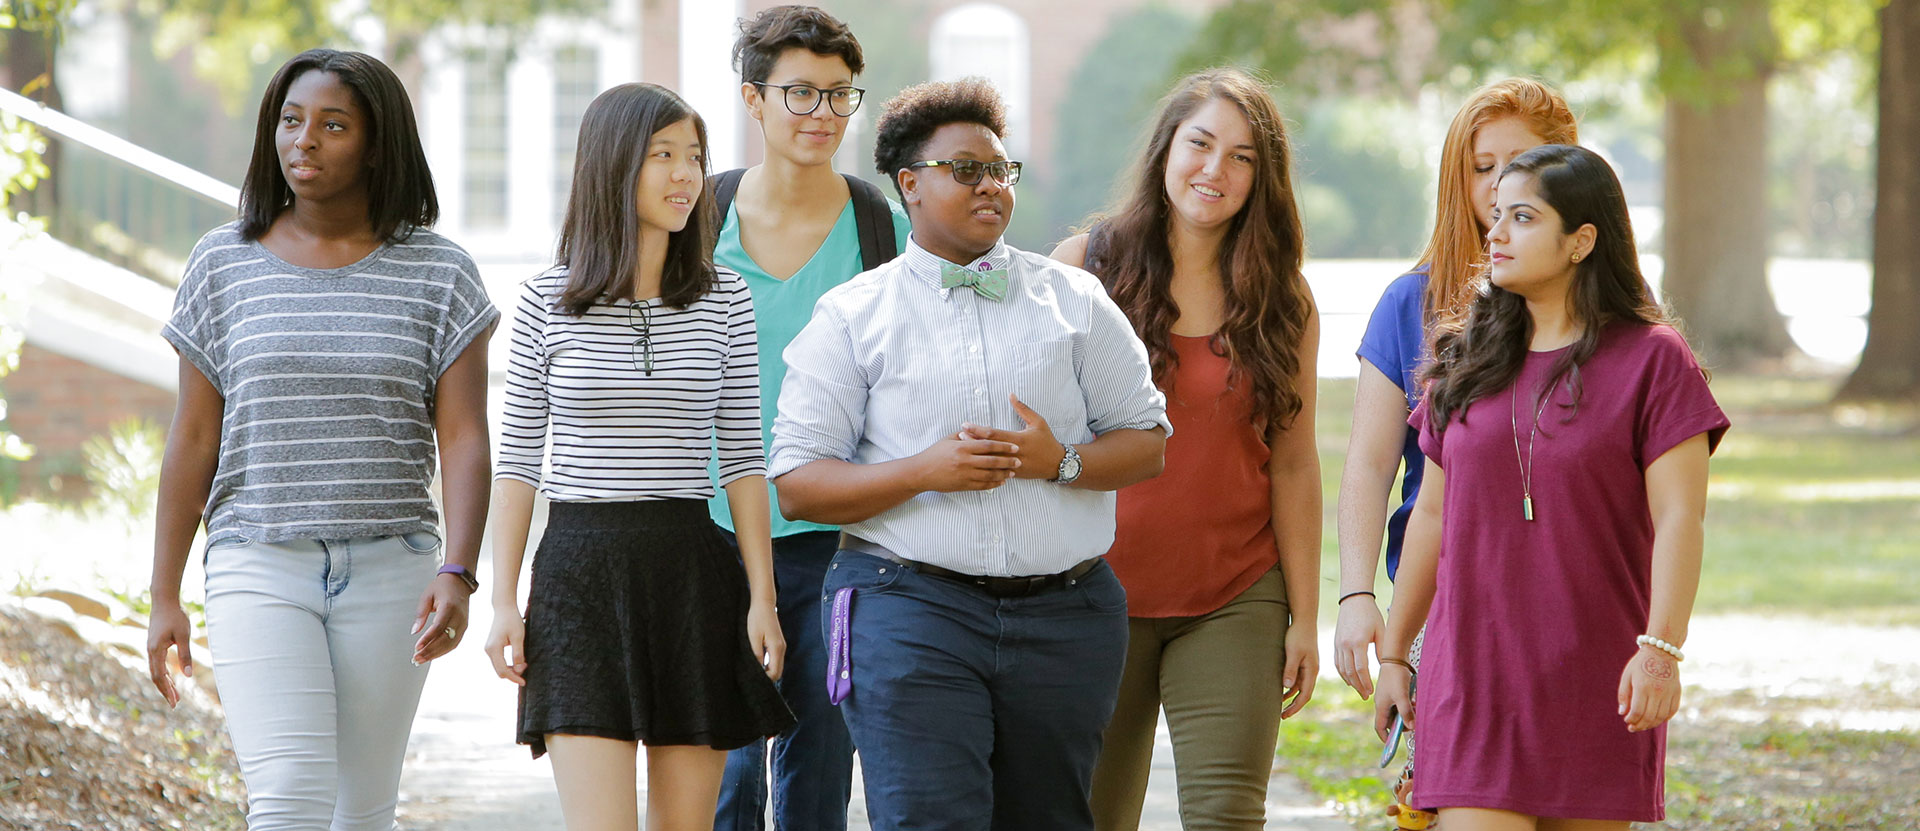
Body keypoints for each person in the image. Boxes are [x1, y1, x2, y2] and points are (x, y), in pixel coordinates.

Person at [768, 78, 1170, 830]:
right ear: (910, 184)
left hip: (1066, 613)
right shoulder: (853, 316)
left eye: (1000, 170)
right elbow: (797, 484)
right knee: (930, 817)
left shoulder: (1074, 301)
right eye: (965, 170)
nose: (990, 185)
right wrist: (925, 472)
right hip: (907, 605)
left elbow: (1147, 441)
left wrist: (1062, 461)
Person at [144, 48, 496, 830]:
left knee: (362, 809)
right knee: (292, 798)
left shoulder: (441, 273)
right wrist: (165, 591)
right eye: (291, 121)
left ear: (376, 145)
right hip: (256, 557)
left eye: (332, 125)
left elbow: (466, 438)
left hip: (391, 567)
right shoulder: (222, 263)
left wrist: (460, 571)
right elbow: (194, 436)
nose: (303, 140)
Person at [1373, 144, 1729, 829]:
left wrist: (1660, 649)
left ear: (1581, 240)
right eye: (1497, 215)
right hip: (1472, 674)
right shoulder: (1465, 355)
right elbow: (1431, 515)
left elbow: (1682, 516)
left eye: (1523, 217)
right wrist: (1395, 651)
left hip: (1599, 679)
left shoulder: (1655, 360)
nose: (1496, 232)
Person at [481, 82, 794, 831]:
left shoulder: (726, 299)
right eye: (663, 156)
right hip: (579, 577)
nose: (686, 174)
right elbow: (519, 460)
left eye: (694, 156)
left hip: (692, 571)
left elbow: (745, 459)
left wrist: (763, 598)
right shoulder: (544, 301)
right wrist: (501, 599)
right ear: (613, 166)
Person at [1050, 68, 1321, 831]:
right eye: (1201, 143)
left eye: (1243, 158)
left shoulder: (1283, 300)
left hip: (1236, 591)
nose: (1216, 170)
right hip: (1093, 590)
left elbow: (1295, 463)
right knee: (1090, 815)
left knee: (1228, 817)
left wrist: (1305, 615)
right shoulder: (1082, 268)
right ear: (1166, 149)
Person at [1331, 78, 1577, 813]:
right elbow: (1372, 466)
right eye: (1482, 166)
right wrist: (1356, 596)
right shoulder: (1412, 303)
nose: (1501, 183)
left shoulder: (1604, 320)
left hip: (1568, 609)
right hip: (1446, 610)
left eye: (1523, 161)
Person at [704, 8, 911, 830]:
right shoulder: (696, 222)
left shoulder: (881, 229)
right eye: (800, 94)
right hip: (712, 531)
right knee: (725, 775)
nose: (822, 115)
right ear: (753, 100)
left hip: (836, 537)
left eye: (838, 96)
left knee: (821, 771)